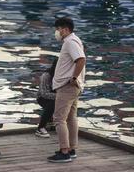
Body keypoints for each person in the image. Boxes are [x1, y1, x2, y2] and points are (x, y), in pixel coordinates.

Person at [47, 17, 86, 163]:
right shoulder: (73, 40)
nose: (56, 32)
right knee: (70, 118)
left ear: (65, 29)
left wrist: (74, 77)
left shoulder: (70, 41)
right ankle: (71, 148)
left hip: (67, 86)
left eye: (58, 29)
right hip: (72, 87)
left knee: (59, 119)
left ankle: (64, 151)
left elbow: (81, 59)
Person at [35, 58, 58, 138]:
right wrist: (59, 97)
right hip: (42, 98)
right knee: (52, 104)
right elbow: (44, 93)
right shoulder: (46, 75)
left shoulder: (65, 75)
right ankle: (40, 127)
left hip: (57, 97)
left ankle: (52, 121)